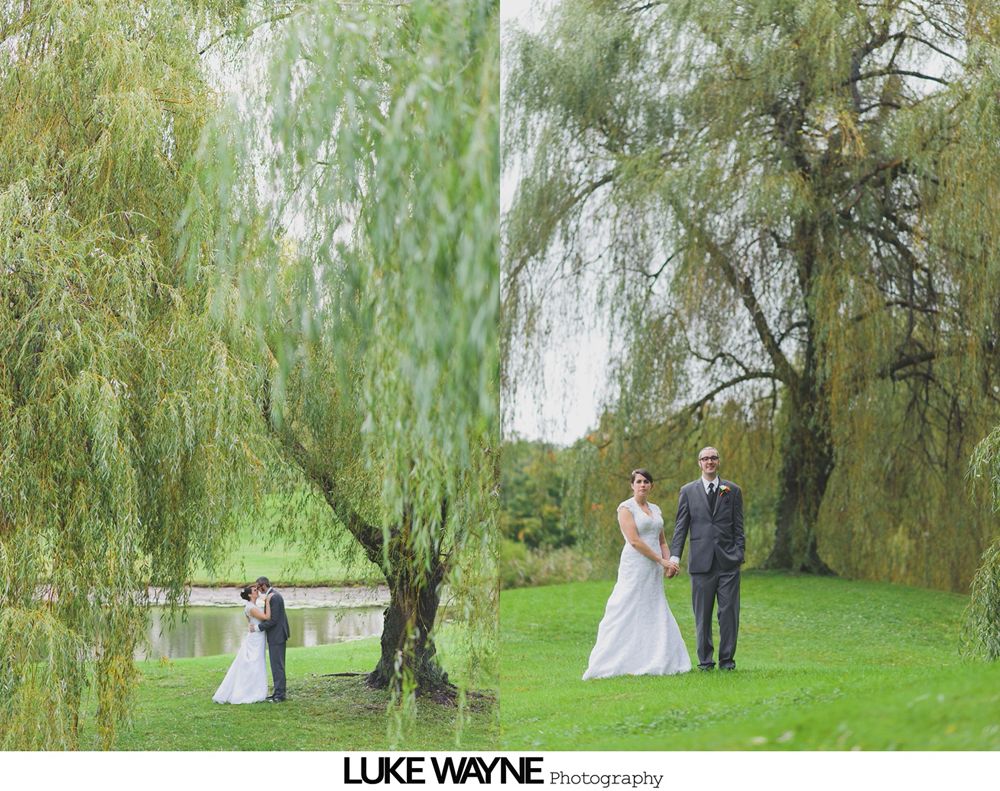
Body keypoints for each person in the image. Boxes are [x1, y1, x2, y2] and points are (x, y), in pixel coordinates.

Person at [583, 469, 691, 679]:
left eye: (647, 482)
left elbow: (662, 541)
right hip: (636, 564)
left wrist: (669, 563)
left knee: (654, 605)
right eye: (639, 481)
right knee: (627, 605)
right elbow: (634, 541)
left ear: (651, 486)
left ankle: (659, 656)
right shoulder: (626, 508)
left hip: (653, 568)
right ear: (632, 485)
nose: (643, 485)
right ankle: (612, 660)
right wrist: (660, 559)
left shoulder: (655, 509)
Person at [668, 446, 744, 671]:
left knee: (729, 613)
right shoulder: (688, 491)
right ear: (699, 463)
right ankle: (705, 662)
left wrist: (739, 554)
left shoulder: (732, 490)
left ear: (718, 462)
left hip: (728, 562)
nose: (709, 461)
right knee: (702, 616)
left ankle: (727, 661)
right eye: (705, 458)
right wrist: (674, 556)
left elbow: (739, 527)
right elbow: (681, 526)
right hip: (700, 563)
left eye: (713, 458)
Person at [212, 584, 269, 704]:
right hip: (256, 640)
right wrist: (268, 601)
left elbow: (253, 621)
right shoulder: (251, 608)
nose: (257, 591)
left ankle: (254, 689)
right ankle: (250, 692)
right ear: (249, 594)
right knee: (254, 662)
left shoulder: (252, 606)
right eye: (254, 590)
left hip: (256, 636)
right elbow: (266, 617)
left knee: (255, 662)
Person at [250, 576, 290, 702]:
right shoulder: (270, 596)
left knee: (277, 666)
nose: (257, 590)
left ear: (263, 585)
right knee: (275, 665)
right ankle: (277, 693)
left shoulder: (274, 597)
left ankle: (280, 695)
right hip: (275, 636)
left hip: (277, 636)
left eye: (258, 587)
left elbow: (273, 620)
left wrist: (257, 628)